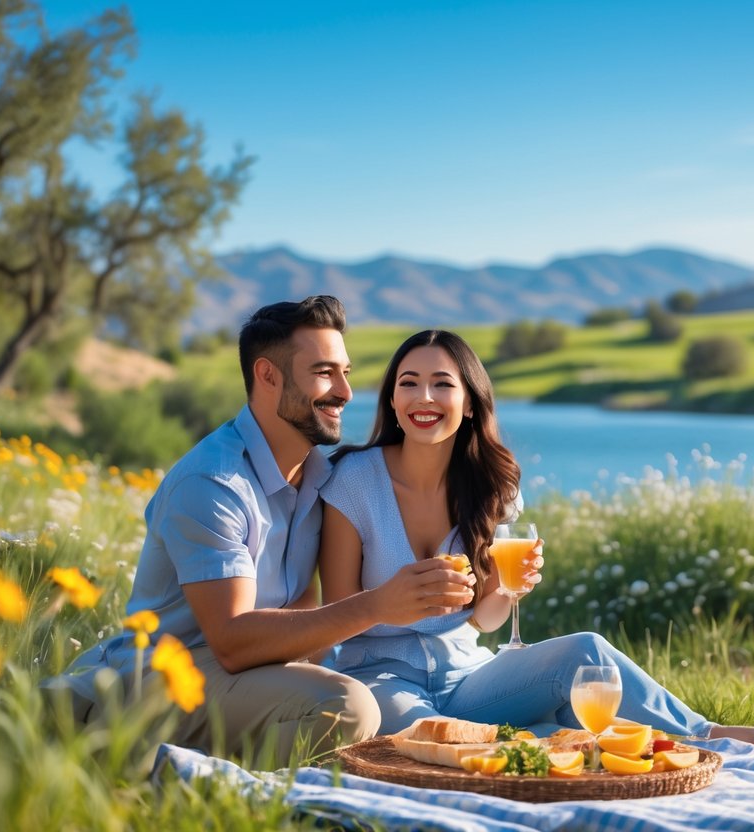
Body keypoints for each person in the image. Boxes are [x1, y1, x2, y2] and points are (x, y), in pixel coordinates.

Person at [318, 329, 754, 743]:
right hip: (382, 679)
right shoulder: (354, 481)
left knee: (587, 649)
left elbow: (485, 622)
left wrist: (505, 590)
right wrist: (391, 602)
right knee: (427, 739)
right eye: (409, 383)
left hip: (469, 676)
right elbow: (338, 615)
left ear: (470, 403)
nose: (424, 398)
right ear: (392, 397)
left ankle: (709, 734)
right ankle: (559, 735)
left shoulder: (494, 487)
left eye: (443, 384)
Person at [50, 298, 477, 764]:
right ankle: (166, 773)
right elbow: (232, 642)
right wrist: (378, 605)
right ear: (268, 376)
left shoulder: (316, 474)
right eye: (323, 373)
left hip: (253, 674)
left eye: (346, 372)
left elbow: (300, 611)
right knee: (348, 707)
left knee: (364, 708)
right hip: (171, 674)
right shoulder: (213, 483)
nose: (345, 392)